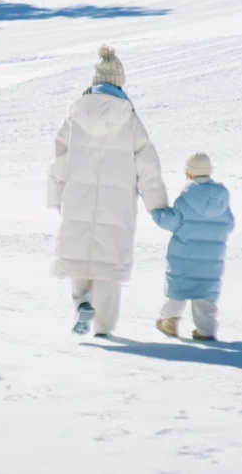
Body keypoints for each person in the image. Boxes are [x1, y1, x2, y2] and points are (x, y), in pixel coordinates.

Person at [47, 45, 167, 339]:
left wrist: (55, 195)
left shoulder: (75, 114)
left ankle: (82, 303)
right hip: (118, 204)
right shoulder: (130, 118)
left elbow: (59, 158)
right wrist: (157, 205)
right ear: (119, 80)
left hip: (77, 198)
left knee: (78, 253)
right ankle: (103, 327)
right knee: (108, 265)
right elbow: (147, 164)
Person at [153, 152, 235, 341]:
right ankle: (206, 330)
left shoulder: (186, 198)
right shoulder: (222, 200)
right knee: (205, 295)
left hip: (184, 256)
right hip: (211, 260)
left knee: (178, 290)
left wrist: (157, 213)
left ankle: (169, 322)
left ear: (189, 174)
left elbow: (173, 222)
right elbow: (229, 224)